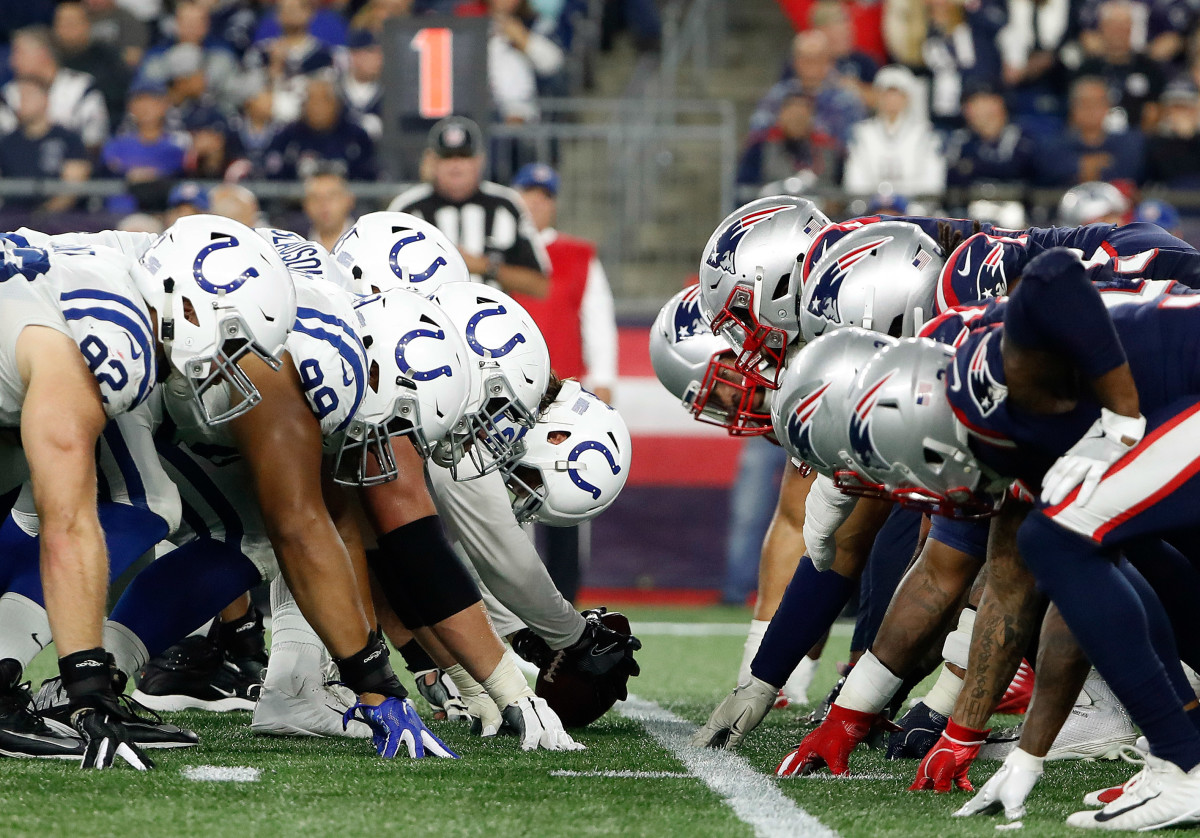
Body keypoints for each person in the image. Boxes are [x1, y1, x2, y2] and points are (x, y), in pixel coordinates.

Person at [509, 162, 617, 602]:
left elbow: (598, 319)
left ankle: (564, 596)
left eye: (544, 195)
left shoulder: (577, 254)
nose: (536, 202)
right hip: (505, 393)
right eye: (528, 194)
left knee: (565, 491)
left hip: (561, 395)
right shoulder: (499, 254)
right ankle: (513, 595)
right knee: (506, 500)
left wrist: (605, 381)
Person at [388, 116, 550, 298]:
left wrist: (484, 267)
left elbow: (540, 285)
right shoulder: (407, 209)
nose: (456, 165)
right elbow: (380, 278)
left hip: (490, 320)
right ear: (432, 161)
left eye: (464, 156)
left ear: (480, 160)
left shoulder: (506, 203)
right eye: (447, 157)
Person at [749, 30, 866, 151]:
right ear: (794, 62)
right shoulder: (776, 96)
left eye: (817, 58)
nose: (811, 64)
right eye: (805, 58)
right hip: (781, 161)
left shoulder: (847, 101)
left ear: (829, 62)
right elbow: (757, 137)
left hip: (831, 164)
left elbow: (855, 144)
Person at [842, 65, 946, 198]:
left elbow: (932, 184)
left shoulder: (927, 134)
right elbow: (855, 182)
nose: (891, 100)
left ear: (908, 98)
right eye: (886, 94)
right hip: (871, 208)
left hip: (915, 208)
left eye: (897, 94)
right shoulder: (861, 133)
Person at [3, 25, 109, 153]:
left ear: (43, 54)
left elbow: (94, 140)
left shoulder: (82, 87)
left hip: (75, 166)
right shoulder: (9, 93)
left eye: (19, 53)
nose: (12, 62)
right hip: (20, 169)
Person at [0, 76, 91, 212]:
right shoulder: (6, 143)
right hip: (12, 219)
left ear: (45, 99)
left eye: (28, 97)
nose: (21, 103)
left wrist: (42, 216)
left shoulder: (68, 139)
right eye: (19, 97)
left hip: (61, 221)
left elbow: (73, 187)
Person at [1072, 0, 1167, 131]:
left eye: (1123, 27)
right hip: (1095, 137)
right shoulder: (1087, 69)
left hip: (1137, 139)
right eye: (1112, 27)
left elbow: (1155, 111)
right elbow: (1076, 112)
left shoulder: (1149, 68)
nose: (1118, 33)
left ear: (1132, 30)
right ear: (1101, 29)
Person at [1035, 75, 1146, 186]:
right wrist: (1090, 165)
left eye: (1097, 103)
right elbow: (1049, 172)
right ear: (1073, 107)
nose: (1091, 109)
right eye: (1084, 103)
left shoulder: (1130, 144)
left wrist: (1081, 166)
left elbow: (1128, 174)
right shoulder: (1051, 145)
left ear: (1108, 107)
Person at [264, 74, 376, 181]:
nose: (317, 108)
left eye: (324, 100)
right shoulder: (287, 137)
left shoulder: (357, 136)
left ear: (337, 104)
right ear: (303, 105)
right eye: (311, 100)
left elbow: (370, 177)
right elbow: (273, 177)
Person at [243, 0, 334, 124]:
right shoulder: (260, 53)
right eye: (285, 9)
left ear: (310, 13)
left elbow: (327, 100)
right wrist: (274, 68)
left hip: (309, 128)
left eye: (297, 8)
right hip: (270, 126)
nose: (291, 13)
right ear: (277, 15)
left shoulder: (325, 56)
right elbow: (250, 98)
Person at [737, 87, 841, 189]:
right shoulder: (760, 147)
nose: (796, 121)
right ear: (781, 115)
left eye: (801, 117)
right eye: (792, 115)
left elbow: (840, 189)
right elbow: (744, 188)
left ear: (811, 117)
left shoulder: (828, 148)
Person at [944, 81, 1038, 188]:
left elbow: (1020, 169)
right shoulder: (960, 141)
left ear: (999, 105)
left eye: (977, 103)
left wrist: (972, 167)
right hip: (970, 202)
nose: (968, 111)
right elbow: (952, 176)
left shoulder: (1022, 138)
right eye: (967, 105)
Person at [100, 78, 189, 191]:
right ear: (130, 107)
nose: (145, 107)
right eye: (139, 101)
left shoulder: (180, 143)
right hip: (121, 206)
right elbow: (108, 169)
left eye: (153, 101)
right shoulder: (115, 145)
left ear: (165, 104)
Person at [52, 1, 131, 125]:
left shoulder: (106, 56)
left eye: (72, 22)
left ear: (87, 25)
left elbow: (119, 97)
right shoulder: (50, 59)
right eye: (62, 23)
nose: (67, 28)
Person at [1146, 79, 1200, 188]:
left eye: (1184, 107)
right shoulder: (1155, 142)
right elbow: (1166, 174)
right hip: (1170, 199)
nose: (1179, 114)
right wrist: (1182, 138)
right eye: (1174, 107)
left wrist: (1190, 137)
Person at [337, 29, 382, 140]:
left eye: (380, 53)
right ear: (354, 55)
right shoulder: (334, 88)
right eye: (371, 52)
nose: (378, 58)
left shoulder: (389, 90)